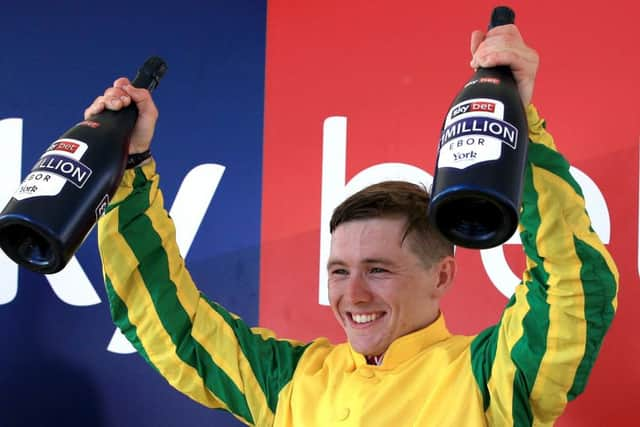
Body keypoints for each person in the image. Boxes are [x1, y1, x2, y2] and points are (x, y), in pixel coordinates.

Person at [89, 23, 619, 426]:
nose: (353, 293)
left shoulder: (489, 378)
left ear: (442, 275)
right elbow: (170, 323)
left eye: (379, 269)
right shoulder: (293, 382)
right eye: (339, 270)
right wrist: (128, 166)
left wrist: (517, 124)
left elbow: (575, 289)